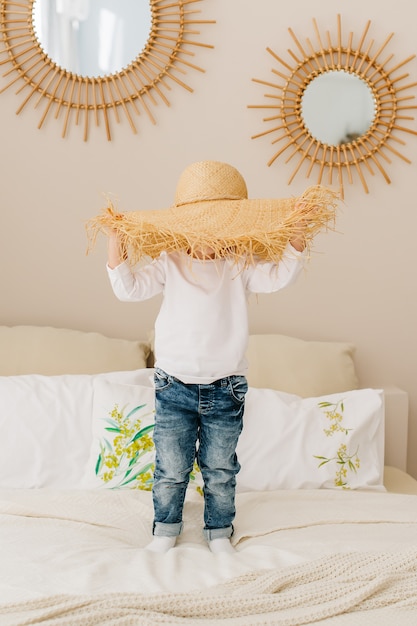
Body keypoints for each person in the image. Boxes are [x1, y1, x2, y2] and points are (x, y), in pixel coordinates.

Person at [105, 161, 314, 554]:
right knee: (171, 469)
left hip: (226, 387)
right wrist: (116, 238)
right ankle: (165, 530)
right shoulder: (170, 262)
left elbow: (281, 276)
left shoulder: (240, 265)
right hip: (173, 386)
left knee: (220, 469)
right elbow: (127, 289)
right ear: (186, 227)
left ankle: (219, 531)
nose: (210, 238)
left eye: (219, 228)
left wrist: (297, 231)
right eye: (203, 227)